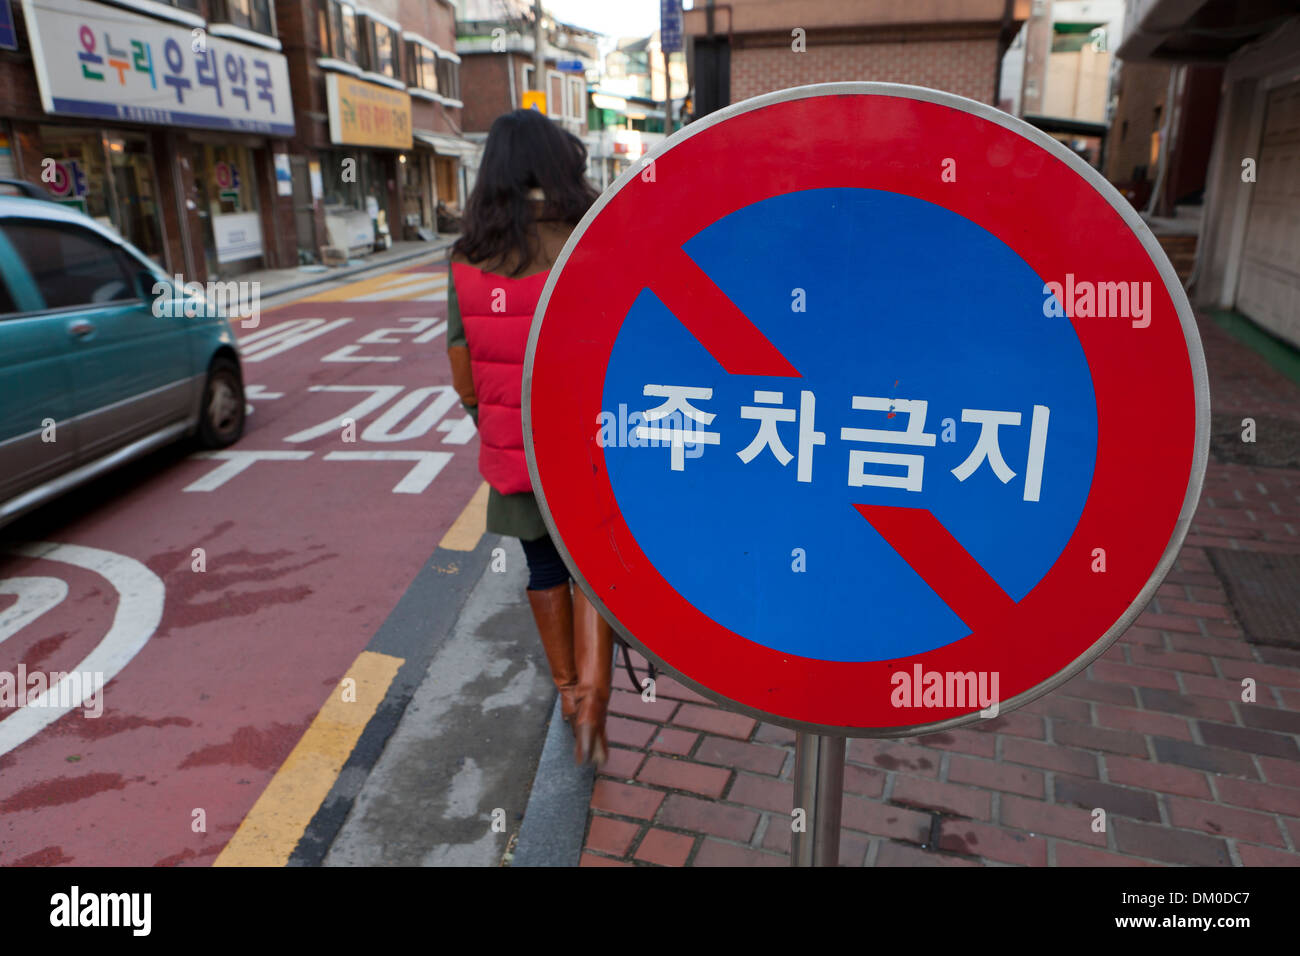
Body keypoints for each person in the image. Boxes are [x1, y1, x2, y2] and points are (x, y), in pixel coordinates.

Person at [445, 109, 614, 767]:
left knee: (543, 566)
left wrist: (500, 427)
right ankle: (597, 698)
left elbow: (462, 367)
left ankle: (569, 694)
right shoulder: (591, 237)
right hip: (591, 449)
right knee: (592, 572)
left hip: (516, 451)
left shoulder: (467, 255)